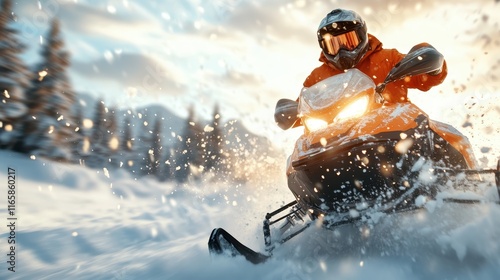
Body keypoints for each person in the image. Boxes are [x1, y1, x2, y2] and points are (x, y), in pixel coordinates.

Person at [303, 8, 447, 103]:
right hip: (335, 138)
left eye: (349, 41)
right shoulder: (317, 77)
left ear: (362, 35)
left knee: (432, 135)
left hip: (394, 129)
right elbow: (301, 108)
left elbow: (424, 80)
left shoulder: (388, 59)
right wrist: (287, 112)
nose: (342, 51)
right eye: (333, 45)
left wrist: (432, 66)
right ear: (323, 46)